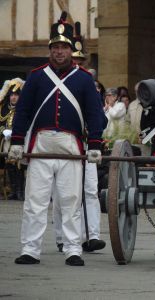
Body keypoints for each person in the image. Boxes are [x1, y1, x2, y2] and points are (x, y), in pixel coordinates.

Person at [9, 12, 107, 266]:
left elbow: (94, 114)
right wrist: (17, 142)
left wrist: (94, 143)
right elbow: (23, 111)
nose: (60, 52)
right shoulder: (37, 76)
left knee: (71, 200)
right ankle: (30, 249)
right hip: (41, 145)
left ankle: (73, 248)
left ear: (70, 50)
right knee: (35, 201)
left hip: (70, 145)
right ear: (50, 49)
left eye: (64, 47)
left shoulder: (84, 79)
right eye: (56, 47)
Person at [52, 21, 106, 254]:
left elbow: (100, 118)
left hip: (86, 143)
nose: (80, 64)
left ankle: (92, 235)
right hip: (65, 142)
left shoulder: (89, 84)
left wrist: (93, 134)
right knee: (62, 192)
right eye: (77, 60)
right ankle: (62, 236)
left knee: (90, 189)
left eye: (82, 61)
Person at [0, 78, 25, 200]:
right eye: (11, 95)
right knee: (9, 165)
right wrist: (3, 131)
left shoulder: (23, 109)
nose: (13, 98)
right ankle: (13, 191)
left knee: (19, 165)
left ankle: (21, 191)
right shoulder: (4, 108)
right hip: (5, 141)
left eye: (16, 95)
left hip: (19, 140)